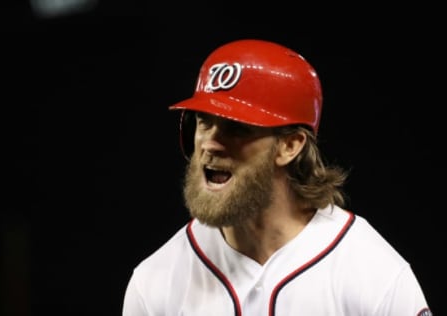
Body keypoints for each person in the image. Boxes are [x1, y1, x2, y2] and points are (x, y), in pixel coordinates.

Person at [121, 39, 432, 315]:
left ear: (290, 145)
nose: (211, 144)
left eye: (236, 128)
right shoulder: (155, 283)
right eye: (204, 122)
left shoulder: (373, 274)